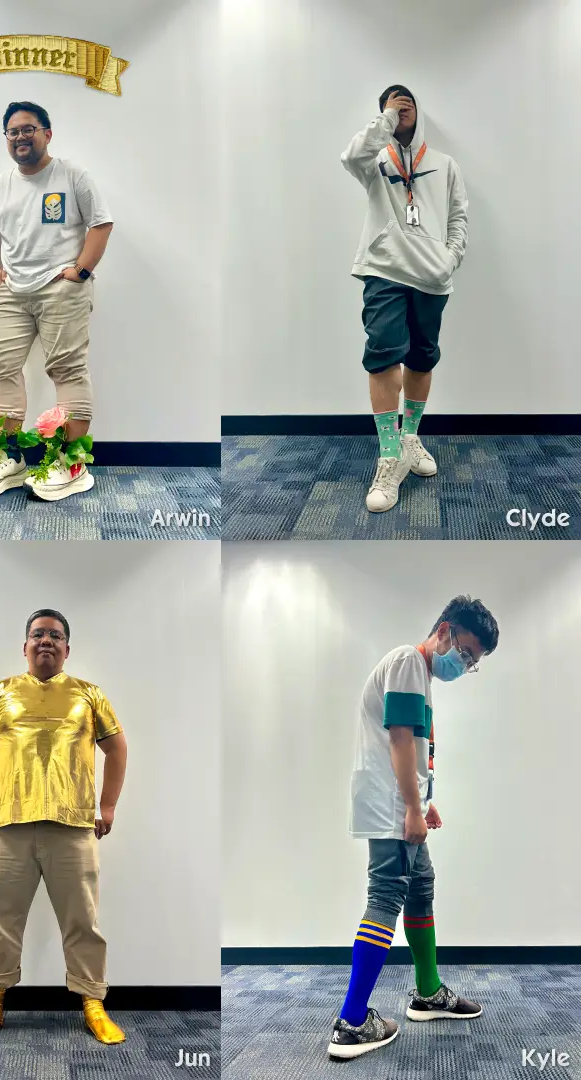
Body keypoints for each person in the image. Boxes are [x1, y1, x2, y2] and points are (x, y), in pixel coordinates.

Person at [329, 596, 499, 1060]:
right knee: (386, 894)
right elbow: (400, 739)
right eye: (465, 653)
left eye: (472, 663)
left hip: (400, 803)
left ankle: (427, 992)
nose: (463, 665)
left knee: (420, 885)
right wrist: (409, 807)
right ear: (444, 631)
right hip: (390, 808)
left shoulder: (418, 676)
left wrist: (425, 803)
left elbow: (408, 747)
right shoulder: (408, 661)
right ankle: (352, 1019)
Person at [0, 609, 128, 1043]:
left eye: (55, 635)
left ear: (68, 648)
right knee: (0, 919)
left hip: (72, 827)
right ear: (25, 646)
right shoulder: (0, 692)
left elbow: (117, 747)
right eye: (37, 634)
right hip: (7, 826)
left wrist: (107, 805)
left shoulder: (88, 695)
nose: (45, 641)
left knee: (82, 920)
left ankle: (93, 1003)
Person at [0, 102, 114, 501]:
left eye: (28, 129)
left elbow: (101, 223)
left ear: (47, 133)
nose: (20, 137)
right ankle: (8, 458)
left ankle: (70, 463)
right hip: (13, 291)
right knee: (1, 365)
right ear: (6, 139)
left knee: (66, 370)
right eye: (13, 131)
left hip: (61, 288)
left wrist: (81, 272)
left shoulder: (72, 176)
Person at [341, 85, 468, 513]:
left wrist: (449, 259)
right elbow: (350, 155)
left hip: (431, 276)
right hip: (384, 269)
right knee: (382, 354)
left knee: (422, 357)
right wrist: (388, 120)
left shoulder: (445, 164)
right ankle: (390, 454)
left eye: (407, 101)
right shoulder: (374, 161)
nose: (401, 104)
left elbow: (459, 218)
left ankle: (410, 438)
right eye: (392, 103)